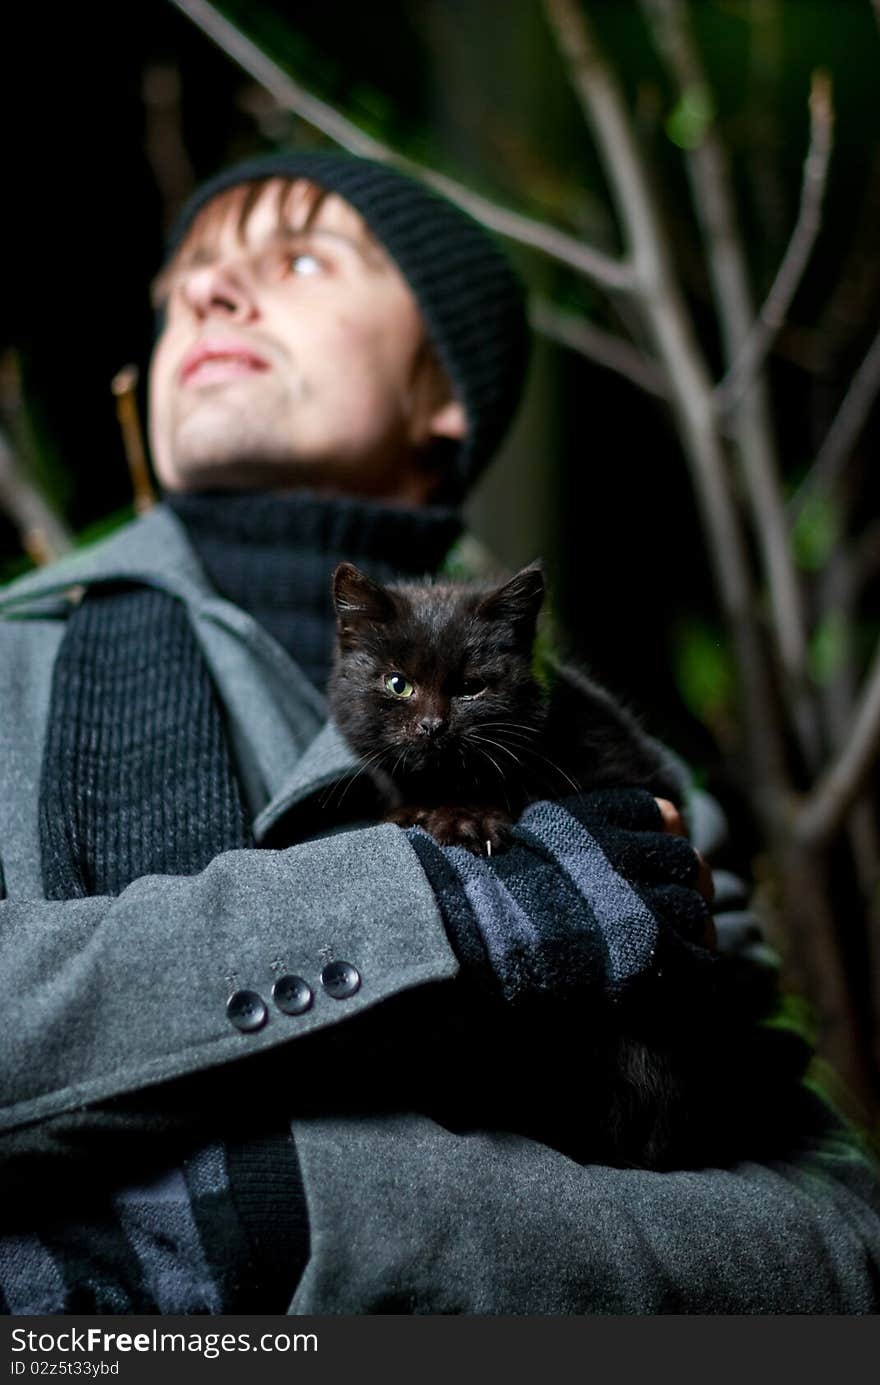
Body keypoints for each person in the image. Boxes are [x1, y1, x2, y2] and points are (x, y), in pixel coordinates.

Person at [0, 150, 879, 1316]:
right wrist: (450, 912)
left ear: (447, 388)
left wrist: (324, 1217)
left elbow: (831, 1243)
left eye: (298, 259)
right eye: (189, 282)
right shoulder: (13, 665)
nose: (208, 293)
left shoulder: (600, 747)